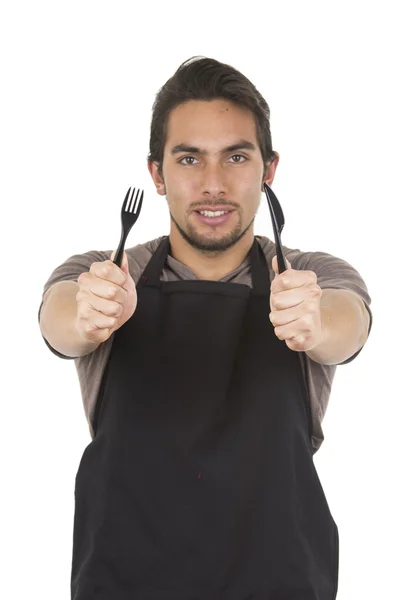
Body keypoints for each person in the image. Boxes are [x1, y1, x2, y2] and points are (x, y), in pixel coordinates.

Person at [38, 56, 372, 599]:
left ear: (268, 170)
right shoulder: (104, 273)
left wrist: (315, 322)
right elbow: (59, 320)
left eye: (236, 157)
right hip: (124, 581)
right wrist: (84, 314)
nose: (213, 185)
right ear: (157, 174)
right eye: (189, 158)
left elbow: (348, 325)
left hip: (278, 581)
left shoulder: (312, 278)